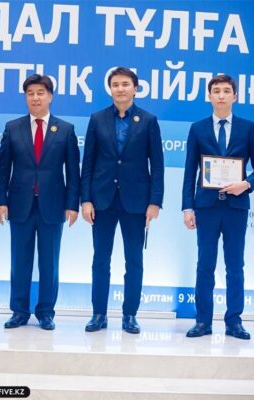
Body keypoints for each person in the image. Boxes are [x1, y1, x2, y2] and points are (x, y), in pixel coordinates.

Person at [182, 75, 254, 340]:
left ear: (235, 96)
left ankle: (234, 322)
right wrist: (187, 208)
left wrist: (246, 184)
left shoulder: (247, 127)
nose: (221, 95)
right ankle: (202, 321)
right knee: (205, 265)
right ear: (209, 96)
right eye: (216, 91)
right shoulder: (197, 128)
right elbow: (190, 171)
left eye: (226, 91)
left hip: (235, 207)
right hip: (206, 206)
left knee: (235, 266)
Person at [80, 67, 164, 334]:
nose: (120, 89)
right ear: (110, 89)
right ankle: (99, 314)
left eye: (125, 84)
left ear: (135, 89)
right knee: (100, 260)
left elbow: (157, 165)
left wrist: (155, 202)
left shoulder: (148, 121)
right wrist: (86, 200)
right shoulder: (97, 119)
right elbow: (88, 163)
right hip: (102, 200)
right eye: (115, 85)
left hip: (136, 201)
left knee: (134, 261)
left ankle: (130, 315)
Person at [0, 74, 80, 331]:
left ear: (50, 96)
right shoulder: (13, 128)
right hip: (19, 204)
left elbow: (73, 172)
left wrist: (72, 204)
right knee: (19, 261)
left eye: (40, 93)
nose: (35, 98)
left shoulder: (65, 129)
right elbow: (3, 168)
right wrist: (0, 201)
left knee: (49, 263)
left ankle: (46, 312)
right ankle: (19, 311)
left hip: (53, 205)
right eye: (30, 93)